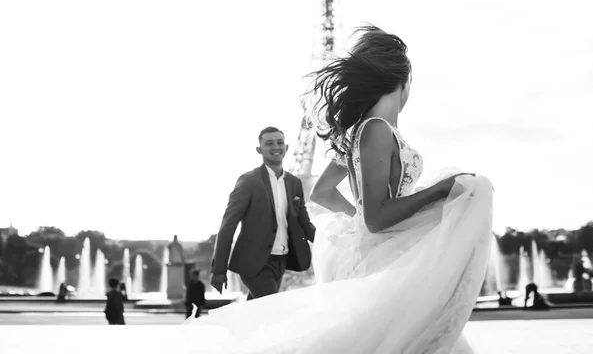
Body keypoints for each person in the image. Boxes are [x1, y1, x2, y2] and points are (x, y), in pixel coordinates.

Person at [186, 25, 493, 354]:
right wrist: (440, 190)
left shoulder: (362, 132)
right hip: (384, 254)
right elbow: (376, 218)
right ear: (403, 84)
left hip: (381, 248)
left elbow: (324, 194)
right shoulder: (376, 130)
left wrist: (358, 219)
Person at [210, 126, 316, 300]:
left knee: (259, 313)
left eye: (280, 142)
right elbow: (228, 225)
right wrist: (219, 270)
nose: (276, 147)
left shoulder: (294, 183)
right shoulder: (248, 181)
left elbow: (304, 223)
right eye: (269, 143)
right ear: (259, 150)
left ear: (287, 147)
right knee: (273, 309)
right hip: (253, 262)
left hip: (281, 261)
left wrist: (330, 241)